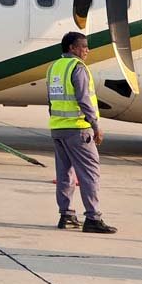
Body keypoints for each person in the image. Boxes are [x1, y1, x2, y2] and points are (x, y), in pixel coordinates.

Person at [46, 31, 117, 234]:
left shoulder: (54, 68)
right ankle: (93, 218)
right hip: (78, 128)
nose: (87, 50)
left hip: (58, 128)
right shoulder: (77, 68)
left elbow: (50, 99)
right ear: (72, 48)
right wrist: (95, 125)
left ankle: (66, 215)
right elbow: (84, 99)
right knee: (89, 174)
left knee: (64, 174)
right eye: (83, 46)